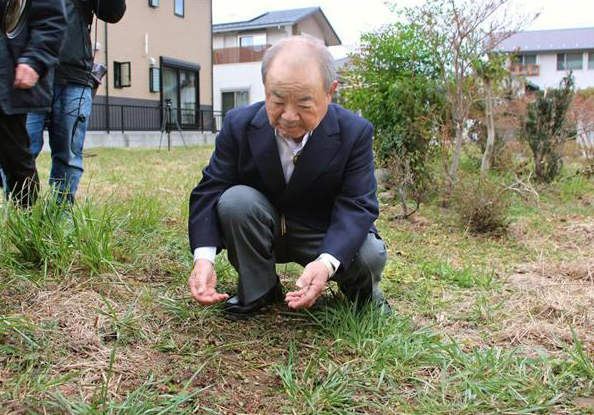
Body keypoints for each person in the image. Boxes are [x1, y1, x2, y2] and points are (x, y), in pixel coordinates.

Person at [188, 36, 390, 320]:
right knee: (235, 201)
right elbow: (210, 189)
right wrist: (203, 259)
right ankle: (259, 290)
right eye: (278, 101)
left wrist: (326, 263)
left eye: (305, 104)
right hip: (264, 228)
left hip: (322, 234)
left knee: (368, 252)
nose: (289, 116)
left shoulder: (354, 132)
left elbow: (357, 205)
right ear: (266, 89)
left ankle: (363, 298)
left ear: (330, 91)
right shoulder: (239, 124)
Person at [26, 0, 126, 204]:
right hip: (29, 72)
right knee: (20, 152)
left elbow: (113, 13)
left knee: (69, 155)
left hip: (75, 75)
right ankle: (20, 210)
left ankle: (61, 211)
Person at [0, 0, 67, 207]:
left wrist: (34, 60)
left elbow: (51, 20)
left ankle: (27, 219)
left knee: (15, 157)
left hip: (6, 79)